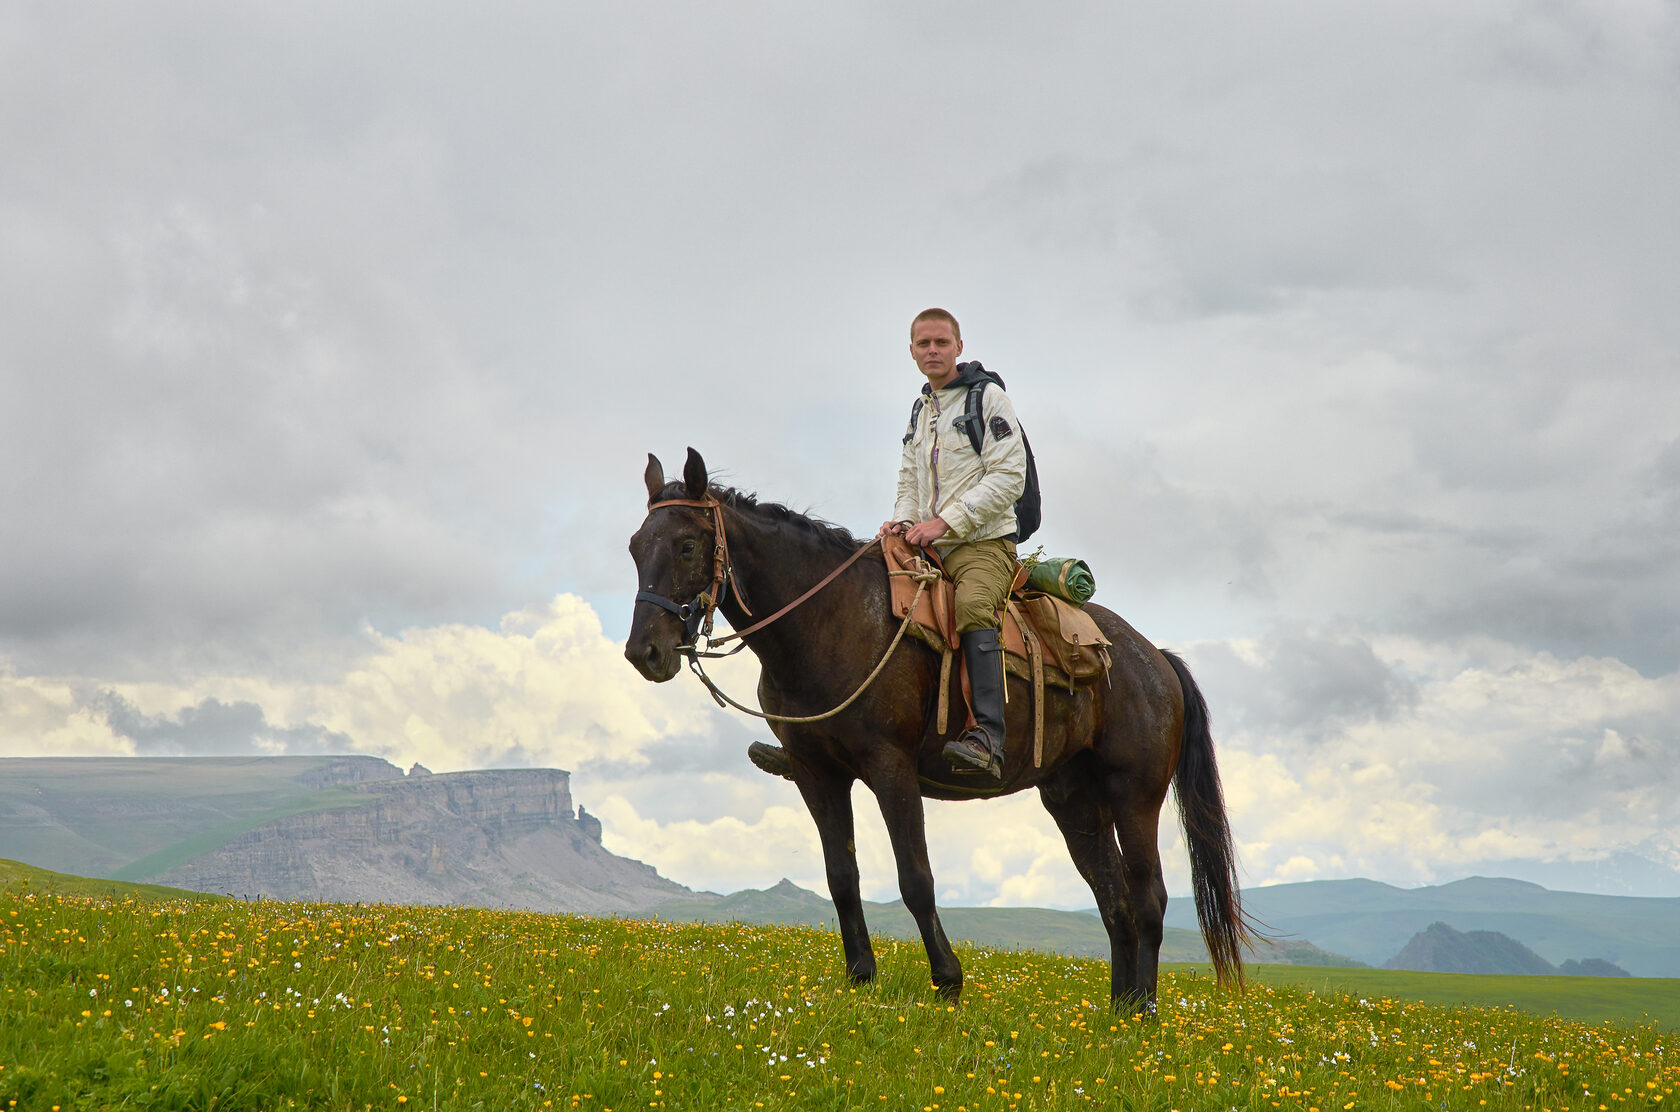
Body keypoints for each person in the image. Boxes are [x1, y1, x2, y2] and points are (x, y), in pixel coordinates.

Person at [877, 308, 1028, 779]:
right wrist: (903, 520)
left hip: (983, 543)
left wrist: (945, 522)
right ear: (912, 351)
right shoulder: (923, 409)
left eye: (941, 343)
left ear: (958, 347)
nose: (932, 351)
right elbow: (909, 477)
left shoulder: (989, 399)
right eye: (924, 344)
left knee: (973, 607)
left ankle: (988, 735)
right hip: (926, 542)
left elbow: (1009, 477)